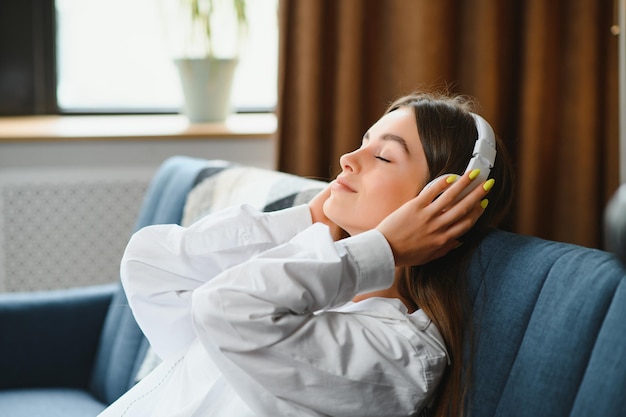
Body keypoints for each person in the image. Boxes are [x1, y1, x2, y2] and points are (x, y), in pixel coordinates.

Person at [98, 92, 512, 417]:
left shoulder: (402, 355)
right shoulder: (315, 282)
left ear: (443, 205)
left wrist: (381, 249)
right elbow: (148, 263)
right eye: (361, 144)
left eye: (383, 156)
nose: (347, 160)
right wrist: (312, 219)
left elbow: (224, 309)